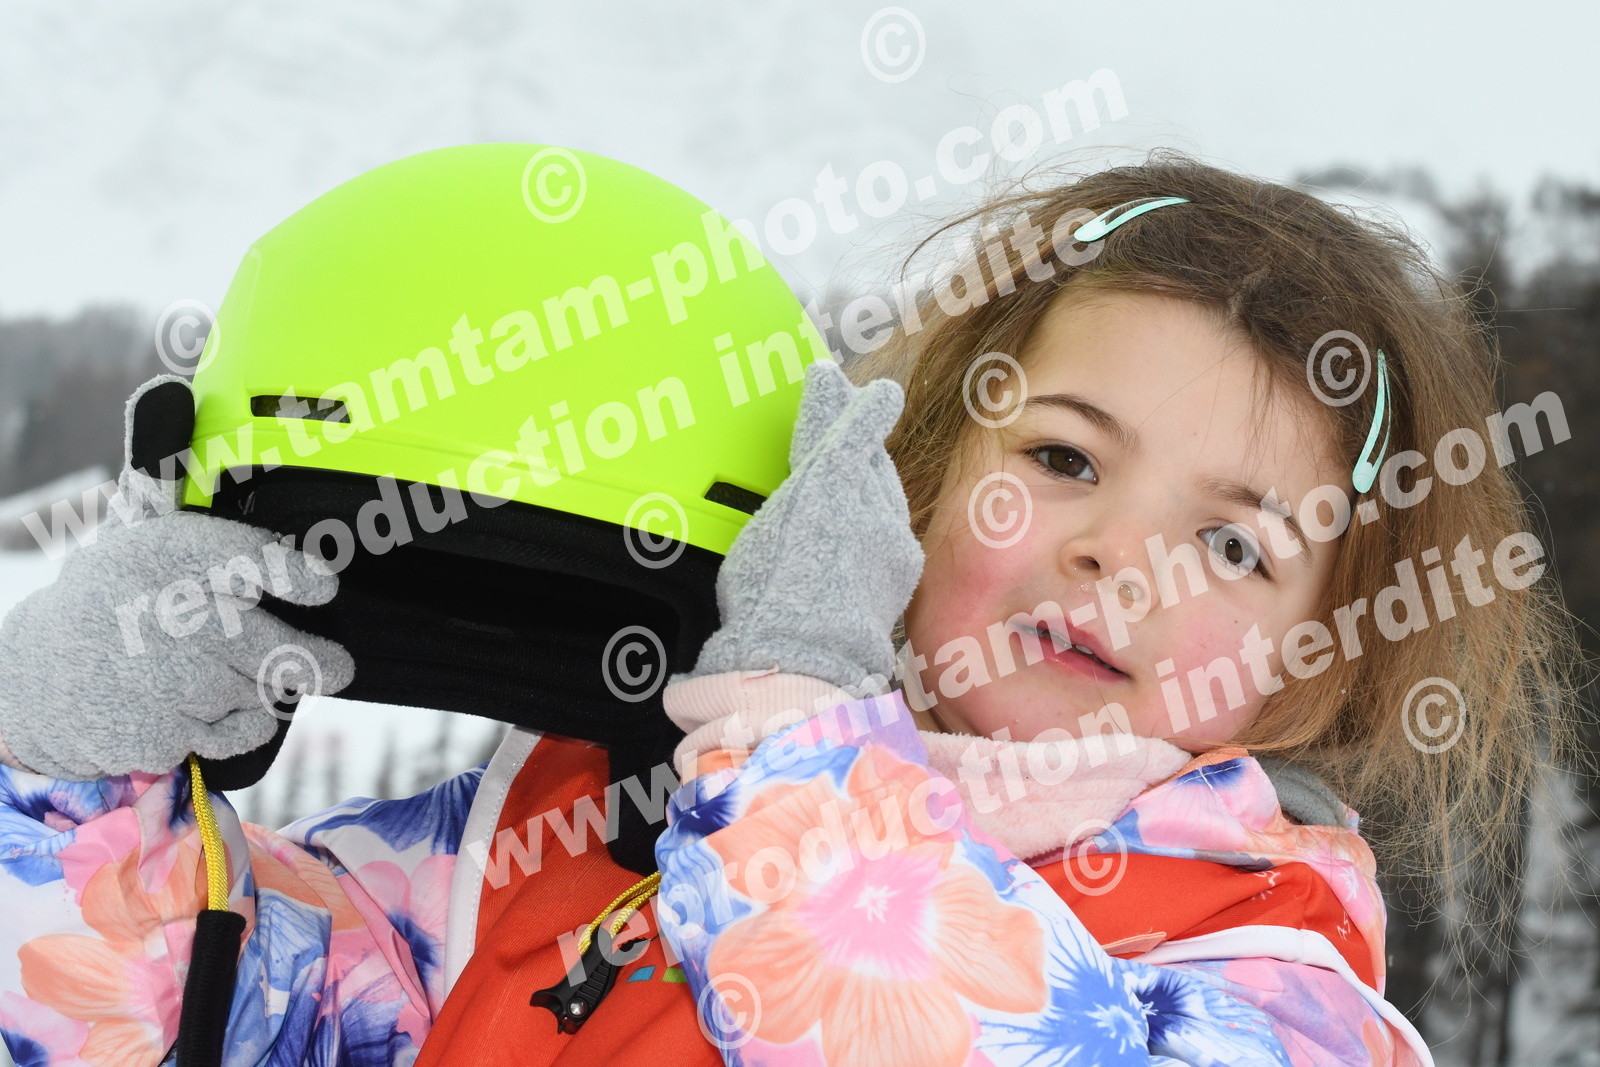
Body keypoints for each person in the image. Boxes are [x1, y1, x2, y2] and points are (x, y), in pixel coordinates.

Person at [643, 155, 1586, 1064]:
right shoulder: (651, 749)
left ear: (1319, 660)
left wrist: (791, 749)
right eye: (1065, 458)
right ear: (929, 460)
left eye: (1232, 545)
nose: (1122, 559)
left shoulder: (1284, 978)